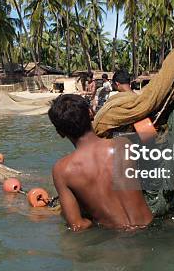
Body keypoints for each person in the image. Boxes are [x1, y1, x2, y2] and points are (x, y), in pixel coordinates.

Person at [49, 94, 153, 231]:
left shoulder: (62, 171)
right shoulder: (123, 145)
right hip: (151, 228)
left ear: (60, 133)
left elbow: (77, 225)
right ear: (90, 113)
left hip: (116, 241)